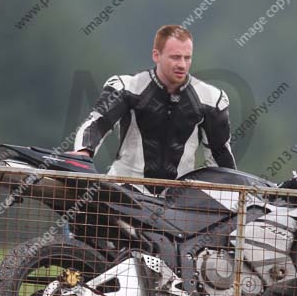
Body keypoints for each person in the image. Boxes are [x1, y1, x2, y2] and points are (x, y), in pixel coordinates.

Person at [71, 25, 235, 183]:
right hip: (123, 192)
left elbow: (220, 156)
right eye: (175, 57)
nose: (182, 65)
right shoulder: (127, 87)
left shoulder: (211, 98)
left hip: (178, 201)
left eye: (187, 58)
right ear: (156, 55)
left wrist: (237, 198)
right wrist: (83, 153)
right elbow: (98, 123)